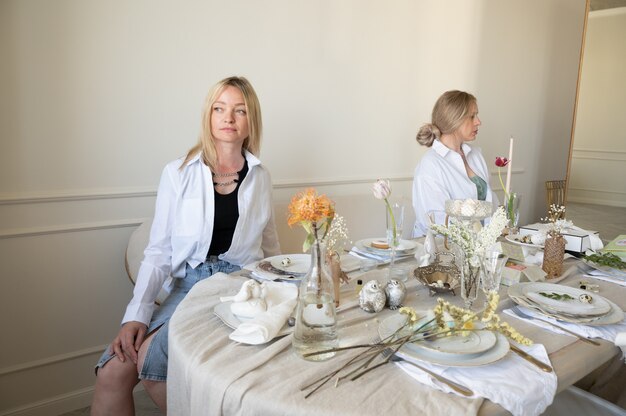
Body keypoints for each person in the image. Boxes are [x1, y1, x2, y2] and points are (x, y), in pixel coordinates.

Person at [91, 76, 281, 415]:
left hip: (237, 286)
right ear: (208, 116)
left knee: (153, 363)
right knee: (112, 373)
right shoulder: (178, 172)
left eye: (239, 111)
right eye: (219, 109)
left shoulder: (261, 176)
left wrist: (284, 295)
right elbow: (159, 251)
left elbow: (270, 248)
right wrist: (136, 315)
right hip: (188, 283)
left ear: (251, 121)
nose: (228, 118)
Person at [412, 90, 498, 237]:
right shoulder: (430, 165)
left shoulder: (476, 156)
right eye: (472, 116)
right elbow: (436, 223)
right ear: (454, 120)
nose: (478, 122)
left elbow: (491, 205)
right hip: (441, 251)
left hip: (480, 246)